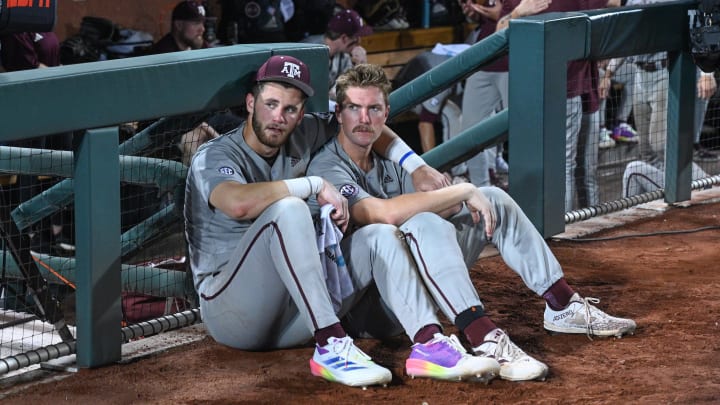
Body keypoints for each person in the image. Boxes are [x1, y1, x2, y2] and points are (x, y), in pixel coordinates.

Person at [307, 63, 637, 382]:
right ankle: (484, 337)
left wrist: (451, 195)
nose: (364, 119)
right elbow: (384, 214)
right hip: (372, 308)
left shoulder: (390, 159)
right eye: (354, 109)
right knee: (425, 223)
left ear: (387, 113)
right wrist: (461, 191)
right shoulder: (327, 165)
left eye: (374, 109)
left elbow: (431, 207)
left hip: (420, 286)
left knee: (492, 196)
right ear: (339, 113)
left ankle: (562, 304)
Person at [184, 54, 491, 389]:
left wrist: (416, 165)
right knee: (289, 209)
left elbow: (366, 123)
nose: (278, 117)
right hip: (233, 312)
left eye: (289, 109)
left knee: (379, 235)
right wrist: (313, 185)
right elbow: (237, 203)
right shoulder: (215, 154)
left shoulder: (306, 130)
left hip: (293, 312)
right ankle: (330, 345)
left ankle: (429, 342)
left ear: (301, 114)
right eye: (270, 104)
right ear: (249, 103)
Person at [499, 0, 621, 210]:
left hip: (584, 88)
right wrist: (519, 12)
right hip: (548, 93)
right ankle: (561, 227)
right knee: (558, 167)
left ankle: (590, 223)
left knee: (584, 170)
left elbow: (618, 4)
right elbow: (498, 33)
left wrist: (605, 51)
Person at [0, 31, 75, 254]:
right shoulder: (14, 32)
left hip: (47, 103)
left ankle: (55, 228)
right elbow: (24, 70)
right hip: (21, 108)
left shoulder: (43, 26)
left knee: (63, 152)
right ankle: (28, 232)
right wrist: (54, 73)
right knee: (30, 157)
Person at [300, 8, 372, 109]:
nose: (359, 41)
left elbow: (347, 90)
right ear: (344, 38)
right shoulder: (307, 51)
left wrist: (361, 66)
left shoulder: (344, 56)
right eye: (356, 37)